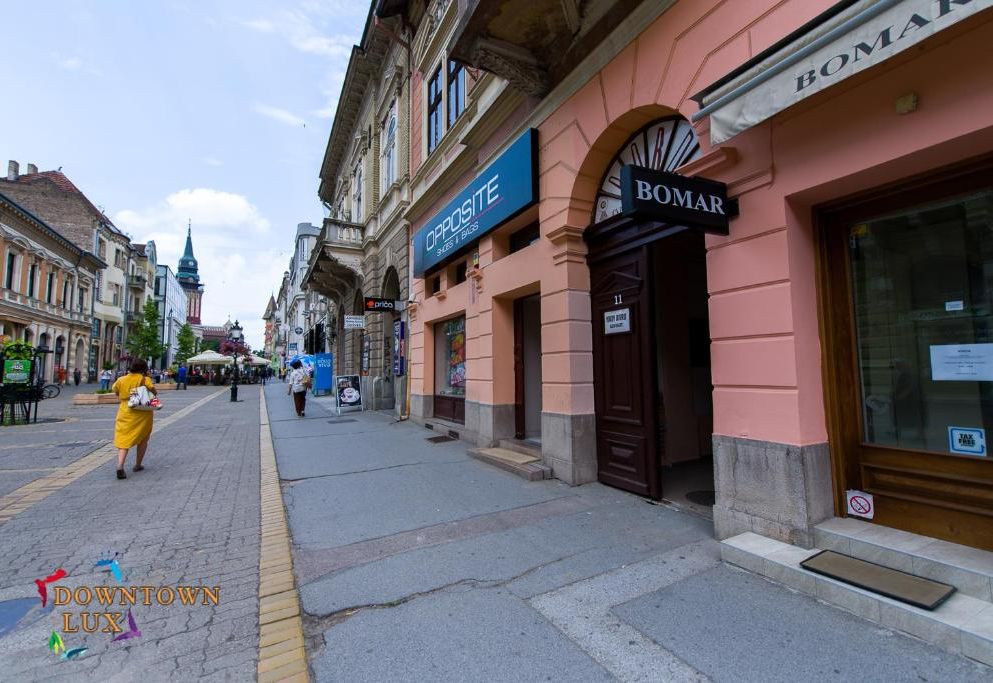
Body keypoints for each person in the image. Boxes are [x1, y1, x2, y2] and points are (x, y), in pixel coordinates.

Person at [110, 359, 158, 480]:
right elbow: (154, 392)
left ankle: (120, 465)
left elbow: (115, 391)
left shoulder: (121, 379)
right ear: (144, 368)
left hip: (125, 411)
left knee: (123, 439)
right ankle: (137, 464)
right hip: (143, 411)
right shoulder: (145, 379)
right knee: (143, 438)